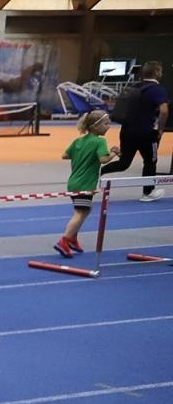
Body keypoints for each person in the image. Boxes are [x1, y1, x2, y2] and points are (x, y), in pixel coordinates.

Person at [54, 110, 119, 259]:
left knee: (84, 209)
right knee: (80, 212)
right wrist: (114, 152)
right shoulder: (99, 141)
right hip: (85, 184)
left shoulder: (78, 141)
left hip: (73, 182)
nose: (108, 126)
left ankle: (72, 239)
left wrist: (82, 156)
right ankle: (64, 240)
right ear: (95, 126)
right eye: (106, 123)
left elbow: (65, 155)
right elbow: (103, 159)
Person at [101, 60, 167, 201]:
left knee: (124, 163)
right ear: (156, 73)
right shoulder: (157, 89)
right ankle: (148, 192)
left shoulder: (133, 87)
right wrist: (160, 129)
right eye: (160, 71)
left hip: (127, 131)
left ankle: (98, 173)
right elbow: (164, 111)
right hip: (146, 133)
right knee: (150, 161)